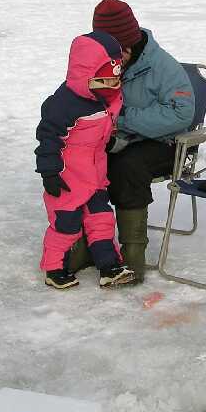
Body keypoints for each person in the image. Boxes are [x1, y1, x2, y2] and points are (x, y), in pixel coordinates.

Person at [90, 0, 194, 282]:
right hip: (117, 136)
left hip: (165, 143)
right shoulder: (99, 60)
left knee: (126, 164)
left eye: (117, 49)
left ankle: (132, 254)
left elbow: (181, 113)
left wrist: (123, 118)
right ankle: (90, 242)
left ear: (130, 42)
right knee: (82, 160)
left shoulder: (162, 66)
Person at [35, 31, 136, 290]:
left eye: (115, 81)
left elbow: (103, 128)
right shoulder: (63, 104)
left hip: (95, 175)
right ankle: (53, 267)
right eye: (104, 81)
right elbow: (48, 139)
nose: (113, 87)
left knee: (101, 219)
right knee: (66, 226)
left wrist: (110, 142)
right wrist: (50, 173)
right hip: (67, 176)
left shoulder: (106, 96)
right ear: (86, 74)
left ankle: (108, 266)